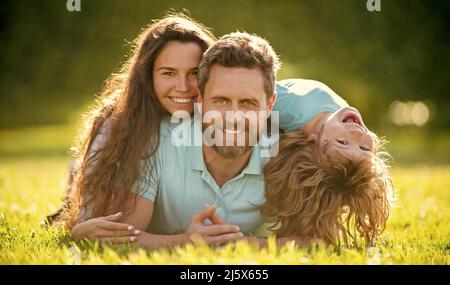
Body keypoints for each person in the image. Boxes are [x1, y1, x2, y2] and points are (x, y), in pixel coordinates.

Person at [55, 12, 222, 243]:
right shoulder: (115, 123)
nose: (183, 86)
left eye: (194, 73)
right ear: (148, 75)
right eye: (168, 73)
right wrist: (81, 227)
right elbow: (90, 219)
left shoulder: (224, 115)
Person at [261, 79, 394, 246]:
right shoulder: (333, 123)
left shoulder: (285, 109)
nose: (357, 133)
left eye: (342, 142)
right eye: (364, 148)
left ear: (313, 142)